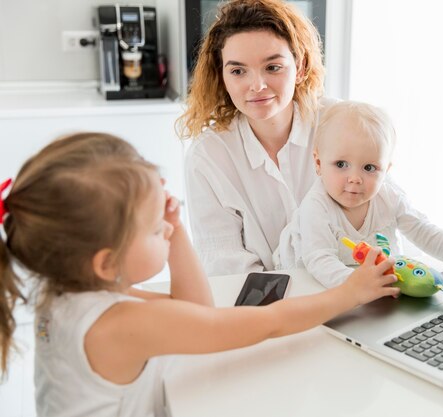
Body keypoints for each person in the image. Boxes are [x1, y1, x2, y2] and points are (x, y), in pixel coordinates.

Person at [0, 132, 399, 417]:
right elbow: (267, 322)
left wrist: (172, 231)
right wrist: (350, 293)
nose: (168, 228)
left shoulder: (68, 291)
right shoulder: (118, 323)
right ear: (106, 263)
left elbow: (193, 308)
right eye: (157, 229)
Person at [177, 0, 336, 276]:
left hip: (350, 293)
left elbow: (381, 220)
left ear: (300, 67)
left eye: (272, 67)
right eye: (238, 71)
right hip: (262, 312)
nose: (257, 86)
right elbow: (226, 269)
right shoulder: (209, 156)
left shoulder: (339, 122)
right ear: (222, 76)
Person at [275, 101, 443, 288]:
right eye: (341, 164)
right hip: (305, 281)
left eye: (369, 168)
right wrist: (364, 285)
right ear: (318, 163)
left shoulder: (389, 198)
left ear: (386, 171)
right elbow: (321, 261)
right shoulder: (316, 206)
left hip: (367, 283)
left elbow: (425, 233)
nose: (355, 178)